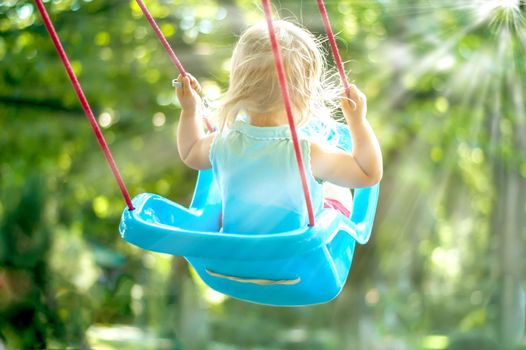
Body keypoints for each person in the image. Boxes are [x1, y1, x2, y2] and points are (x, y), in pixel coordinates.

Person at [175, 20, 382, 234]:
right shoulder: (308, 152)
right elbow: (368, 174)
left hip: (231, 261)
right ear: (304, 95)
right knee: (336, 190)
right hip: (293, 261)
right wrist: (358, 121)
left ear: (239, 84)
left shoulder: (222, 142)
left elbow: (190, 151)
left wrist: (190, 110)